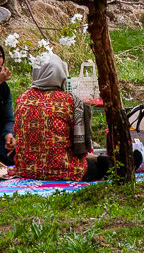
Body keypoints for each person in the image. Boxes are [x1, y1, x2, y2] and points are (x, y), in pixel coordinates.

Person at [13, 53, 98, 181]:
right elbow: (80, 148)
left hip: (27, 170)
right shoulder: (70, 101)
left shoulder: (23, 98)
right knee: (102, 165)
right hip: (65, 171)